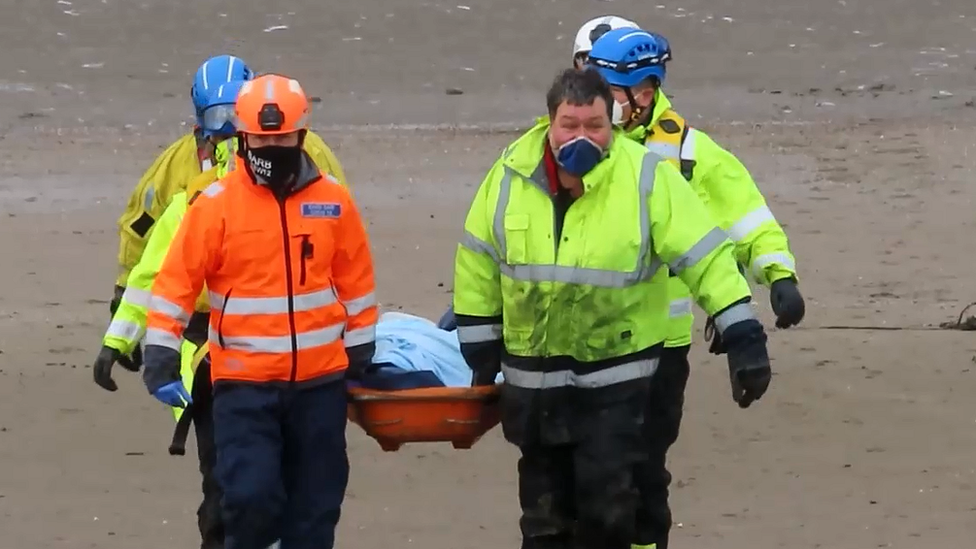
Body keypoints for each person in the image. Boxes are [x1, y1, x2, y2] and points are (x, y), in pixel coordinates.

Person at [452, 67, 773, 549]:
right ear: (549, 123)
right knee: (544, 523)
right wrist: (478, 346)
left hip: (616, 385)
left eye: (594, 125)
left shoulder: (646, 178)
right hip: (534, 388)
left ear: (613, 125)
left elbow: (705, 257)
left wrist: (743, 333)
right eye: (570, 124)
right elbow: (478, 260)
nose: (581, 136)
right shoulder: (508, 177)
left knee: (608, 513)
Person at [585, 26, 805, 549]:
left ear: (644, 91)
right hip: (582, 338)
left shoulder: (686, 153)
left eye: (611, 91)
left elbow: (745, 217)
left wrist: (779, 276)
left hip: (660, 346)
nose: (600, 99)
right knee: (584, 475)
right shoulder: (576, 140)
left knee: (643, 472)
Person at [141, 74, 376, 549]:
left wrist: (362, 345)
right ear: (244, 138)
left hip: (320, 385)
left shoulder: (334, 202)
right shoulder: (215, 207)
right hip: (243, 388)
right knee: (249, 499)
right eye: (263, 139)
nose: (273, 147)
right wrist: (161, 350)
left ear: (301, 137)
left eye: (282, 138)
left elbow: (357, 282)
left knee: (316, 509)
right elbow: (175, 283)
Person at [108, 55, 349, 370]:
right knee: (198, 402)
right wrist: (124, 301)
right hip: (199, 315)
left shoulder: (307, 151)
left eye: (235, 113)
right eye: (219, 118)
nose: (230, 130)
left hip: (294, 314)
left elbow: (339, 224)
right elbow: (143, 227)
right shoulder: (178, 168)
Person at [93, 79, 249, 549]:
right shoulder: (195, 197)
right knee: (227, 485)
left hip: (291, 368)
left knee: (272, 490)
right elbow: (154, 269)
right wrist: (118, 336)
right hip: (214, 357)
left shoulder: (310, 191)